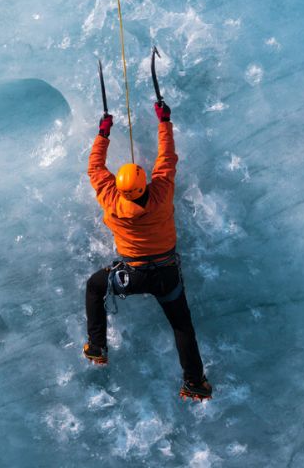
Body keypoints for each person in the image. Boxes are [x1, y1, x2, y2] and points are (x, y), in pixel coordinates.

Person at [83, 101, 212, 401]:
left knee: (95, 286)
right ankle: (194, 381)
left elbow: (94, 168)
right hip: (166, 274)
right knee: (182, 326)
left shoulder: (111, 200)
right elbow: (167, 158)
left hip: (132, 275)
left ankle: (97, 346)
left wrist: (103, 133)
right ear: (144, 182)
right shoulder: (161, 192)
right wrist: (163, 121)